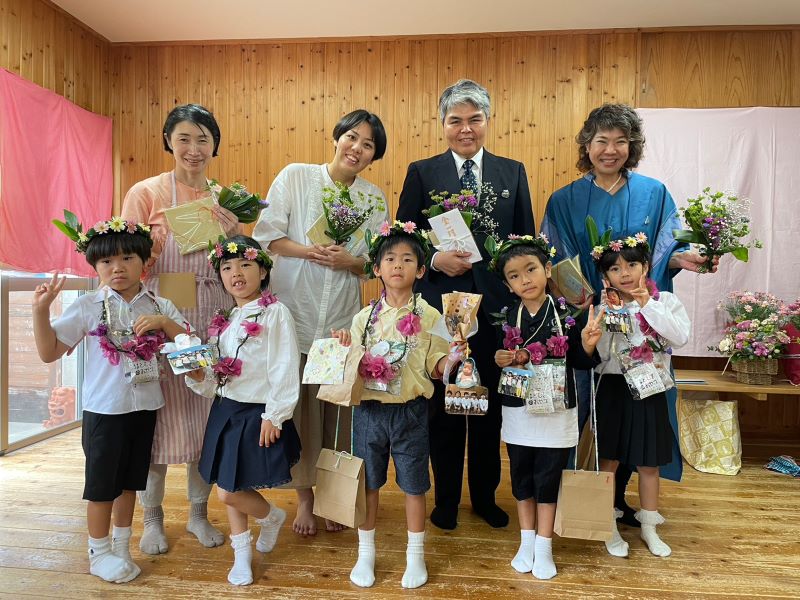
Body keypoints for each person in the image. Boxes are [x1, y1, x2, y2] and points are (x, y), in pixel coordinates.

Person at [540, 103, 717, 525]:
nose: (610, 150)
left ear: (632, 146)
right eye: (601, 140)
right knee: (592, 408)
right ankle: (585, 501)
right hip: (591, 322)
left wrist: (688, 258)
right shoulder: (565, 199)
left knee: (639, 408)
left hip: (641, 325)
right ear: (587, 144)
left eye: (621, 141)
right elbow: (555, 257)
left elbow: (669, 247)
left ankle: (623, 501)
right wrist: (582, 298)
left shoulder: (655, 193)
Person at [396, 79, 535, 530]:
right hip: (442, 308)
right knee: (445, 405)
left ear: (487, 121)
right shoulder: (423, 172)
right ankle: (446, 499)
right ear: (443, 124)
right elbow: (404, 236)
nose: (465, 128)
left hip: (494, 311)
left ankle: (486, 497)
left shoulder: (512, 172)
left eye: (475, 119)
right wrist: (434, 258)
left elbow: (524, 241)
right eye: (455, 120)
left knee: (488, 405)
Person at [253, 109, 388, 536]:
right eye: (352, 137)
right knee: (299, 414)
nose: (357, 148)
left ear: (373, 156)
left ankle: (333, 497)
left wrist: (351, 261)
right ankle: (305, 500)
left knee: (334, 415)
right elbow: (266, 236)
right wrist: (309, 251)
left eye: (368, 145)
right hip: (295, 314)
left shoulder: (373, 199)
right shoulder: (296, 176)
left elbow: (378, 264)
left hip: (339, 323)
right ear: (336, 138)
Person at [32, 217, 188, 583]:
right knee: (102, 487)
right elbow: (49, 352)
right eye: (106, 261)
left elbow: (189, 347)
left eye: (127, 258)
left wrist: (163, 323)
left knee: (130, 482)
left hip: (145, 407)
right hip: (105, 410)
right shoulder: (88, 305)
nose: (117, 268)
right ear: (95, 266)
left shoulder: (160, 304)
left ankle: (121, 547)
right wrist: (40, 311)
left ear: (144, 262)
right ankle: (98, 553)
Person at [121, 104, 239, 553]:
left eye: (203, 139)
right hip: (163, 316)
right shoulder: (146, 192)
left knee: (205, 418)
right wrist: (153, 245)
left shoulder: (225, 198)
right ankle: (152, 519)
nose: (194, 148)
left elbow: (236, 266)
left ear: (215, 146)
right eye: (184, 138)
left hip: (210, 316)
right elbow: (125, 262)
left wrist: (233, 234)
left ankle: (197, 514)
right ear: (168, 140)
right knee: (159, 422)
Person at [331, 221, 461, 589]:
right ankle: (365, 553)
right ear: (376, 269)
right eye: (389, 259)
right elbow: (351, 364)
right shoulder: (363, 318)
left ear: (420, 270)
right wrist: (343, 346)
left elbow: (435, 368)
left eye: (407, 259)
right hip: (369, 411)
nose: (398, 265)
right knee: (368, 484)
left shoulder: (432, 316)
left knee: (415, 485)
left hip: (411, 412)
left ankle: (415, 556)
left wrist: (453, 359)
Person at [185, 235, 302, 585]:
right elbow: (217, 378)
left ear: (262, 271)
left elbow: (284, 364)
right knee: (228, 486)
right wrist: (198, 375)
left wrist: (275, 414)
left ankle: (271, 517)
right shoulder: (226, 319)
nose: (236, 273)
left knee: (229, 490)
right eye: (227, 267)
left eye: (245, 264)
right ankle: (242, 556)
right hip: (225, 411)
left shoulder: (275, 312)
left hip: (257, 413)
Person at [489, 234, 603, 579]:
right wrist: (500, 357)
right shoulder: (506, 316)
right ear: (507, 285)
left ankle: (544, 545)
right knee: (521, 475)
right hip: (519, 408)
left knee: (548, 477)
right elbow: (498, 359)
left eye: (531, 269)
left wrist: (586, 344)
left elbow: (581, 362)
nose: (525, 279)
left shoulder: (567, 314)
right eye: (514, 275)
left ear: (547, 269)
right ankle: (526, 541)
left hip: (556, 408)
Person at [591, 234, 689, 558]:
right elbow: (600, 355)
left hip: (649, 386)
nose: (625, 273)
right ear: (606, 276)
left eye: (632, 264)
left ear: (645, 266)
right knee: (608, 461)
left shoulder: (665, 302)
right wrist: (604, 318)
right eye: (615, 268)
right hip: (613, 387)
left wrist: (647, 304)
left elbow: (680, 336)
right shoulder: (602, 308)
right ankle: (607, 525)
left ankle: (649, 528)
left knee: (649, 462)